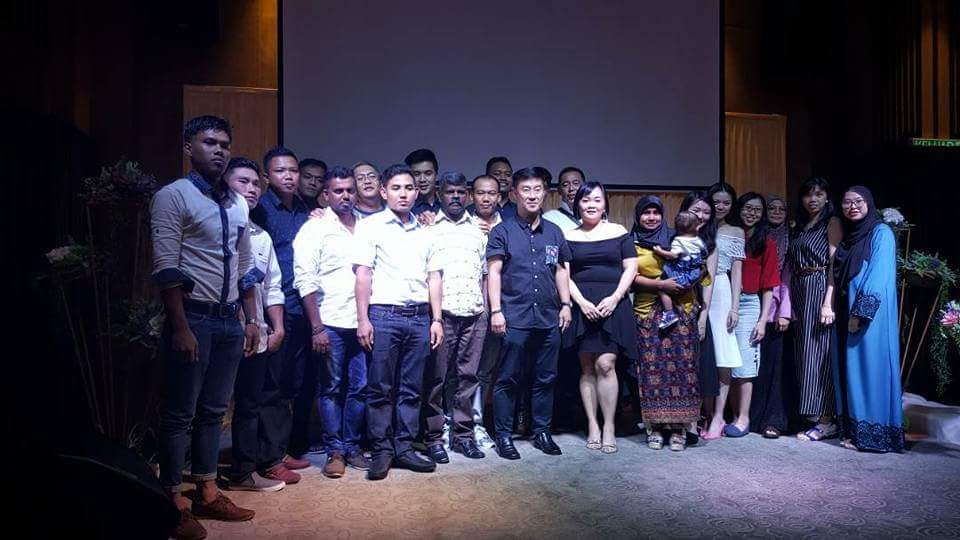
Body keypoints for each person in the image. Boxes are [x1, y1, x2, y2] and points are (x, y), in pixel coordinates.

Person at [151, 116, 258, 539]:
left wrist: (252, 319)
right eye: (209, 142)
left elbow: (246, 264)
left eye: (225, 144)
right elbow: (166, 266)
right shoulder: (172, 196)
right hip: (192, 317)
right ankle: (173, 499)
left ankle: (207, 491)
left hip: (229, 319)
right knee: (180, 412)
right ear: (188, 147)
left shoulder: (237, 202)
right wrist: (180, 327)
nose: (219, 150)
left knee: (215, 411)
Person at [353, 164, 444, 480]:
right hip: (383, 316)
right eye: (396, 188)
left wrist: (436, 319)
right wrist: (362, 319)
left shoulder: (426, 231)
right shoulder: (371, 227)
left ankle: (404, 448)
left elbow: (434, 277)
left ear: (416, 192)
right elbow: (363, 275)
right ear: (384, 192)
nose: (403, 194)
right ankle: (382, 450)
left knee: (411, 389)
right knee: (380, 388)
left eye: (408, 188)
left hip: (419, 318)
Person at [486, 167, 573, 459]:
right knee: (508, 378)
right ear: (514, 194)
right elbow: (494, 272)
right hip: (514, 316)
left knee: (545, 377)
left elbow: (561, 270)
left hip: (548, 316)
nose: (532, 195)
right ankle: (503, 435)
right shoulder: (502, 231)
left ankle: (542, 432)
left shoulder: (554, 231)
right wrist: (496, 310)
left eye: (538, 189)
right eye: (526, 190)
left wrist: (566, 304)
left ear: (545, 193)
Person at [293, 166, 371, 479]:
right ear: (326, 194)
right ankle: (334, 450)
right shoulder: (314, 228)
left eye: (350, 190)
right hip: (330, 322)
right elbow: (305, 280)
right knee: (331, 388)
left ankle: (352, 446)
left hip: (363, 322)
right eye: (338, 191)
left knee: (360, 388)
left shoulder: (368, 225)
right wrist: (317, 327)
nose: (345, 196)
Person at [222, 158, 288, 493]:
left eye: (254, 184)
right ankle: (196, 475)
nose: (251, 189)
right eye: (242, 182)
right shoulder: (213, 224)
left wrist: (277, 327)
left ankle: (243, 472)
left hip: (256, 332)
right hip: (219, 327)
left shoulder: (261, 236)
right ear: (225, 183)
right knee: (210, 406)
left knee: (249, 404)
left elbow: (273, 285)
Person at [250, 146, 313, 474]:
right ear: (266, 177)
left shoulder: (305, 209)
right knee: (269, 386)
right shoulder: (260, 210)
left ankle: (280, 448)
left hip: (303, 308)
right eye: (280, 171)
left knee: (292, 384)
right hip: (273, 308)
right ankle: (267, 458)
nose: (289, 176)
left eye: (293, 170)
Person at [562, 181, 637, 453]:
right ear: (577, 205)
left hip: (613, 304)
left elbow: (631, 268)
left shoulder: (619, 232)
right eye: (585, 200)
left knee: (606, 364)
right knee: (586, 367)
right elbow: (563, 273)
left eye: (596, 199)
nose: (591, 204)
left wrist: (615, 298)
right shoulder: (567, 235)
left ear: (605, 204)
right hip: (582, 305)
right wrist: (580, 302)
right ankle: (592, 424)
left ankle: (609, 426)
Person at [422, 172, 489, 461]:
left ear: (468, 195)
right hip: (442, 315)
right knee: (436, 378)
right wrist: (433, 317)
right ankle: (434, 437)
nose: (456, 197)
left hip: (474, 313)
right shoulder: (428, 228)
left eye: (461, 192)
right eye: (450, 192)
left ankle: (463, 435)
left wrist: (486, 310)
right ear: (440, 194)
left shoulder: (478, 230)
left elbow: (484, 274)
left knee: (468, 377)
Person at [631, 195, 707, 451]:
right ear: (638, 216)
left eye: (656, 212)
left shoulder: (679, 238)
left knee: (683, 370)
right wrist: (660, 284)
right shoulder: (631, 242)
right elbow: (629, 276)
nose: (651, 217)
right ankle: (655, 427)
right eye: (646, 212)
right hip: (646, 313)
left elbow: (701, 267)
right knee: (651, 371)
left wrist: (688, 281)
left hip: (682, 310)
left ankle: (679, 429)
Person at [832, 186, 903, 452]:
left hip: (869, 316)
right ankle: (857, 433)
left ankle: (874, 437)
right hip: (847, 308)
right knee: (854, 371)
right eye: (847, 202)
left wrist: (860, 313)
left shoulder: (881, 232)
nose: (853, 206)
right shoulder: (851, 236)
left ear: (869, 203)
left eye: (858, 201)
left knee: (870, 370)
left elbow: (879, 274)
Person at [722, 193, 779, 438]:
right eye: (747, 208)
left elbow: (769, 286)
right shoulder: (729, 234)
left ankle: (743, 418)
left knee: (745, 364)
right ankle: (731, 415)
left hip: (748, 304)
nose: (752, 213)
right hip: (723, 300)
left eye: (757, 209)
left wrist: (763, 320)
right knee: (727, 361)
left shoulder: (766, 242)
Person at [790, 177, 842, 442]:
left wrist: (828, 302)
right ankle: (814, 416)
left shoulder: (830, 222)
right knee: (805, 353)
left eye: (819, 194)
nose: (813, 199)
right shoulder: (801, 226)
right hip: (801, 288)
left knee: (819, 353)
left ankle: (826, 420)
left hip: (820, 286)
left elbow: (834, 263)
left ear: (827, 197)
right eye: (808, 194)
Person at [702, 182, 745, 440]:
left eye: (726, 203)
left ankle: (719, 416)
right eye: (716, 201)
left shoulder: (736, 231)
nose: (720, 206)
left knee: (723, 355)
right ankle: (706, 414)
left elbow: (737, 272)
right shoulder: (698, 226)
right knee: (703, 354)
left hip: (721, 290)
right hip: (696, 289)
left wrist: (735, 307)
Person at [748, 194, 793, 439]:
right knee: (757, 365)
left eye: (781, 209)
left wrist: (785, 311)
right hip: (754, 304)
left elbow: (788, 277)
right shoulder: (758, 235)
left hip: (778, 309)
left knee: (776, 367)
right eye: (772, 208)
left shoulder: (791, 238)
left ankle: (773, 420)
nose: (776, 212)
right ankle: (752, 418)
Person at [469, 175, 503, 449]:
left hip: (500, 307)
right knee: (462, 370)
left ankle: (478, 423)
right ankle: (457, 424)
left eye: (492, 193)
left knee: (487, 369)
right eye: (481, 193)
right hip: (468, 306)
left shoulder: (509, 226)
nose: (486, 198)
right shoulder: (462, 224)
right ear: (472, 196)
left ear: (499, 197)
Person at [653, 211, 708, 329]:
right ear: (697, 228)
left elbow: (673, 255)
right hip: (694, 273)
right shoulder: (697, 240)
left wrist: (660, 251)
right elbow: (704, 252)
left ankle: (669, 313)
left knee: (661, 288)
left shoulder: (678, 241)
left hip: (681, 274)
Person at [543, 166, 584, 232]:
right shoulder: (549, 218)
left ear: (585, 187)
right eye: (565, 185)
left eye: (576, 183)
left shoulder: (595, 216)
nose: (571, 188)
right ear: (559, 190)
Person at [406, 148, 441, 215]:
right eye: (416, 174)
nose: (422, 179)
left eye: (428, 173)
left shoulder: (446, 204)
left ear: (436, 175)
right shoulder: (404, 207)